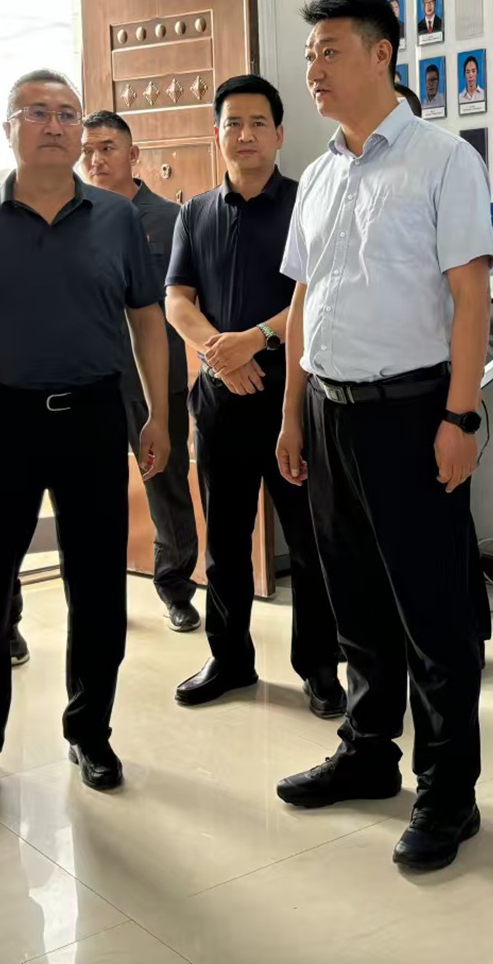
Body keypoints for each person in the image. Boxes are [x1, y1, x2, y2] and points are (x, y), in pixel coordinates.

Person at [274, 0, 493, 872]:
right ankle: (368, 752)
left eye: (329, 51)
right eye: (310, 55)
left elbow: (471, 297)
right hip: (328, 410)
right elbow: (304, 298)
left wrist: (460, 416)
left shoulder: (444, 160)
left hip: (412, 413)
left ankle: (449, 791)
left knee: (433, 615)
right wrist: (292, 414)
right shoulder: (320, 173)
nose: (314, 69)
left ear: (381, 55)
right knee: (356, 602)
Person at [0, 69, 170, 807]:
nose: (55, 124)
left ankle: (90, 730)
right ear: (9, 129)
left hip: (93, 415)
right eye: (36, 112)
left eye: (67, 113)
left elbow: (147, 320)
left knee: (96, 585)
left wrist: (157, 414)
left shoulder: (116, 217)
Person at [165, 75, 343, 718]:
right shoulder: (195, 212)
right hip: (220, 400)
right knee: (225, 541)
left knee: (310, 541)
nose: (245, 135)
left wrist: (255, 339)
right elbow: (176, 300)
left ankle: (319, 668)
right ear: (217, 134)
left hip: (293, 398)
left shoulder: (307, 203)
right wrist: (220, 353)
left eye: (258, 123)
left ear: (279, 134)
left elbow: (319, 295)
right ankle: (230, 659)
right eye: (233, 123)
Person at [79, 110, 199, 633]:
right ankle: (100, 594)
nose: (96, 159)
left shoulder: (172, 219)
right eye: (87, 151)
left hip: (157, 381)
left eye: (107, 148)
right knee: (93, 492)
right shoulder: (73, 218)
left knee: (167, 487)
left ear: (133, 156)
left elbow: (189, 300)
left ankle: (176, 588)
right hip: (92, 380)